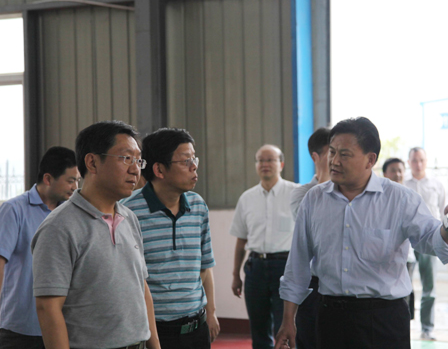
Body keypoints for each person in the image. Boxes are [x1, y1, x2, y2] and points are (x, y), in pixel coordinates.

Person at [275, 117, 448, 349]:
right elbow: (298, 263)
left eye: (345, 154)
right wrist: (288, 320)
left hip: (384, 320)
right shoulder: (314, 199)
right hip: (330, 316)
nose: (334, 161)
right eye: (332, 152)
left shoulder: (400, 199)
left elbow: (432, 241)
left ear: (370, 159)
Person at [31, 121, 160, 349]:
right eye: (126, 158)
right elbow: (48, 308)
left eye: (138, 160)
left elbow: (141, 287)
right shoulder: (59, 227)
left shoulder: (130, 218)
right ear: (92, 162)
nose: (135, 169)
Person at [122, 128, 218, 349]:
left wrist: (211, 312)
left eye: (194, 159)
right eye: (185, 161)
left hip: (196, 329)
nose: (194, 166)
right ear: (159, 169)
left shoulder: (198, 206)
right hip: (152, 331)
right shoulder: (128, 212)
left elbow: (205, 266)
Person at [0, 147, 79, 349]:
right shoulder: (14, 210)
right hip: (19, 328)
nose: (75, 187)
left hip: (60, 327)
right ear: (48, 179)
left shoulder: (70, 215)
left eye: (78, 181)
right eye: (70, 180)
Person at [230, 144, 299, 349]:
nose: (265, 164)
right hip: (255, 268)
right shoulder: (247, 198)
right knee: (259, 329)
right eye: (260, 160)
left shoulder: (296, 193)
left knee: (285, 328)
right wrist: (236, 274)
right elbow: (241, 240)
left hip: (285, 268)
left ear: (281, 164)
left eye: (270, 160)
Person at [289, 127, 330, 349]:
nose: (337, 159)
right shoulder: (302, 193)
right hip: (314, 286)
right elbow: (317, 230)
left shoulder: (351, 192)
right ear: (316, 157)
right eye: (332, 153)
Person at [404, 147, 446, 341]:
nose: (418, 164)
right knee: (404, 286)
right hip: (406, 242)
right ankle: (403, 327)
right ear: (409, 162)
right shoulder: (403, 185)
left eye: (421, 160)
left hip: (429, 241)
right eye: (414, 160)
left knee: (429, 288)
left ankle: (427, 329)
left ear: (426, 161)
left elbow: (443, 214)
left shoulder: (436, 185)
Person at [382, 157, 416, 320]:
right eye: (393, 170)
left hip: (407, 256)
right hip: (385, 256)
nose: (397, 174)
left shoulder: (410, 197)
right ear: (384, 174)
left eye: (400, 170)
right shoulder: (379, 198)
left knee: (404, 293)